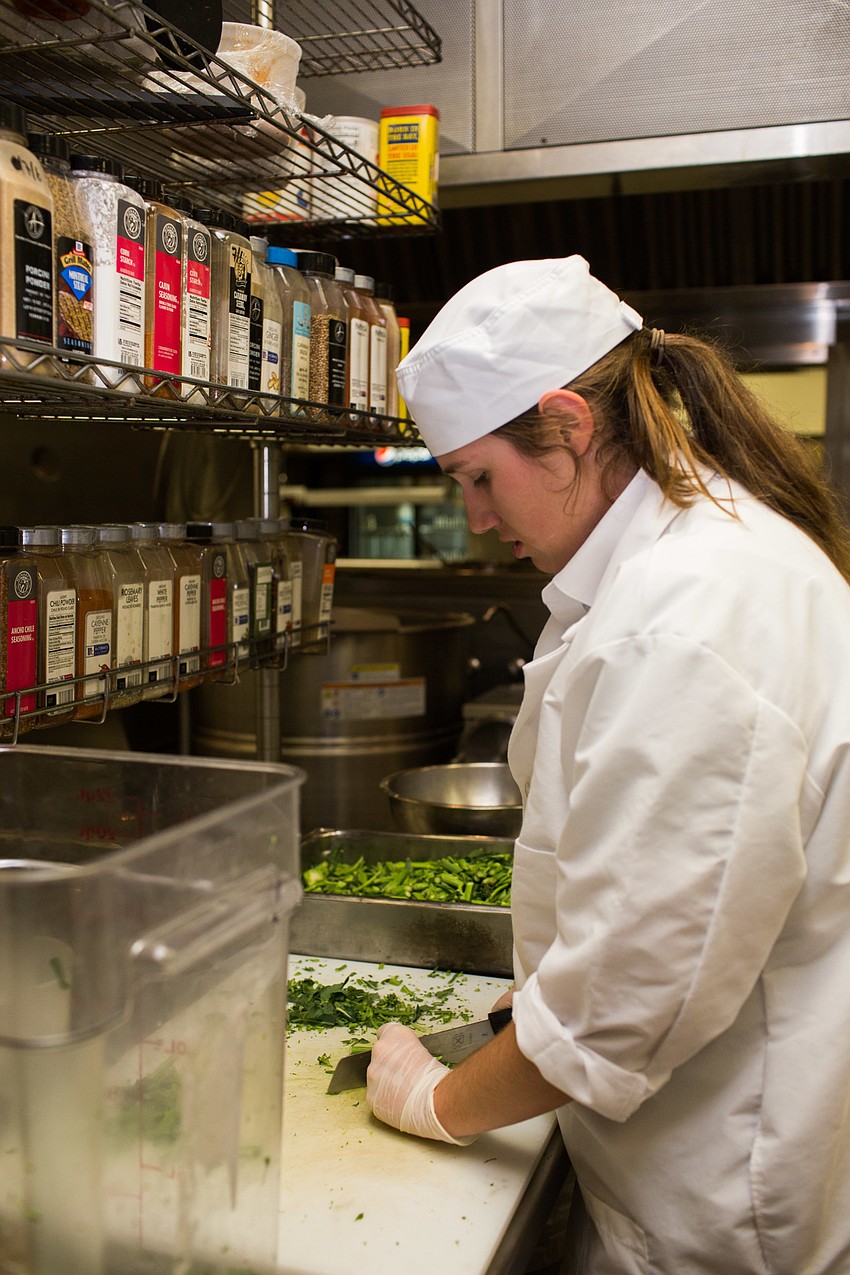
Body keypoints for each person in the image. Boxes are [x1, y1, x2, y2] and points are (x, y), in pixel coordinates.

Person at [364, 255, 850, 1274]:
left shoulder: (693, 616)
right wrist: (532, 1004)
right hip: (682, 1137)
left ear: (569, 425)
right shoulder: (680, 564)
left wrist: (436, 1103)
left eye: (478, 478)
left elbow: (628, 997)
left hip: (717, 1190)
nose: (477, 519)